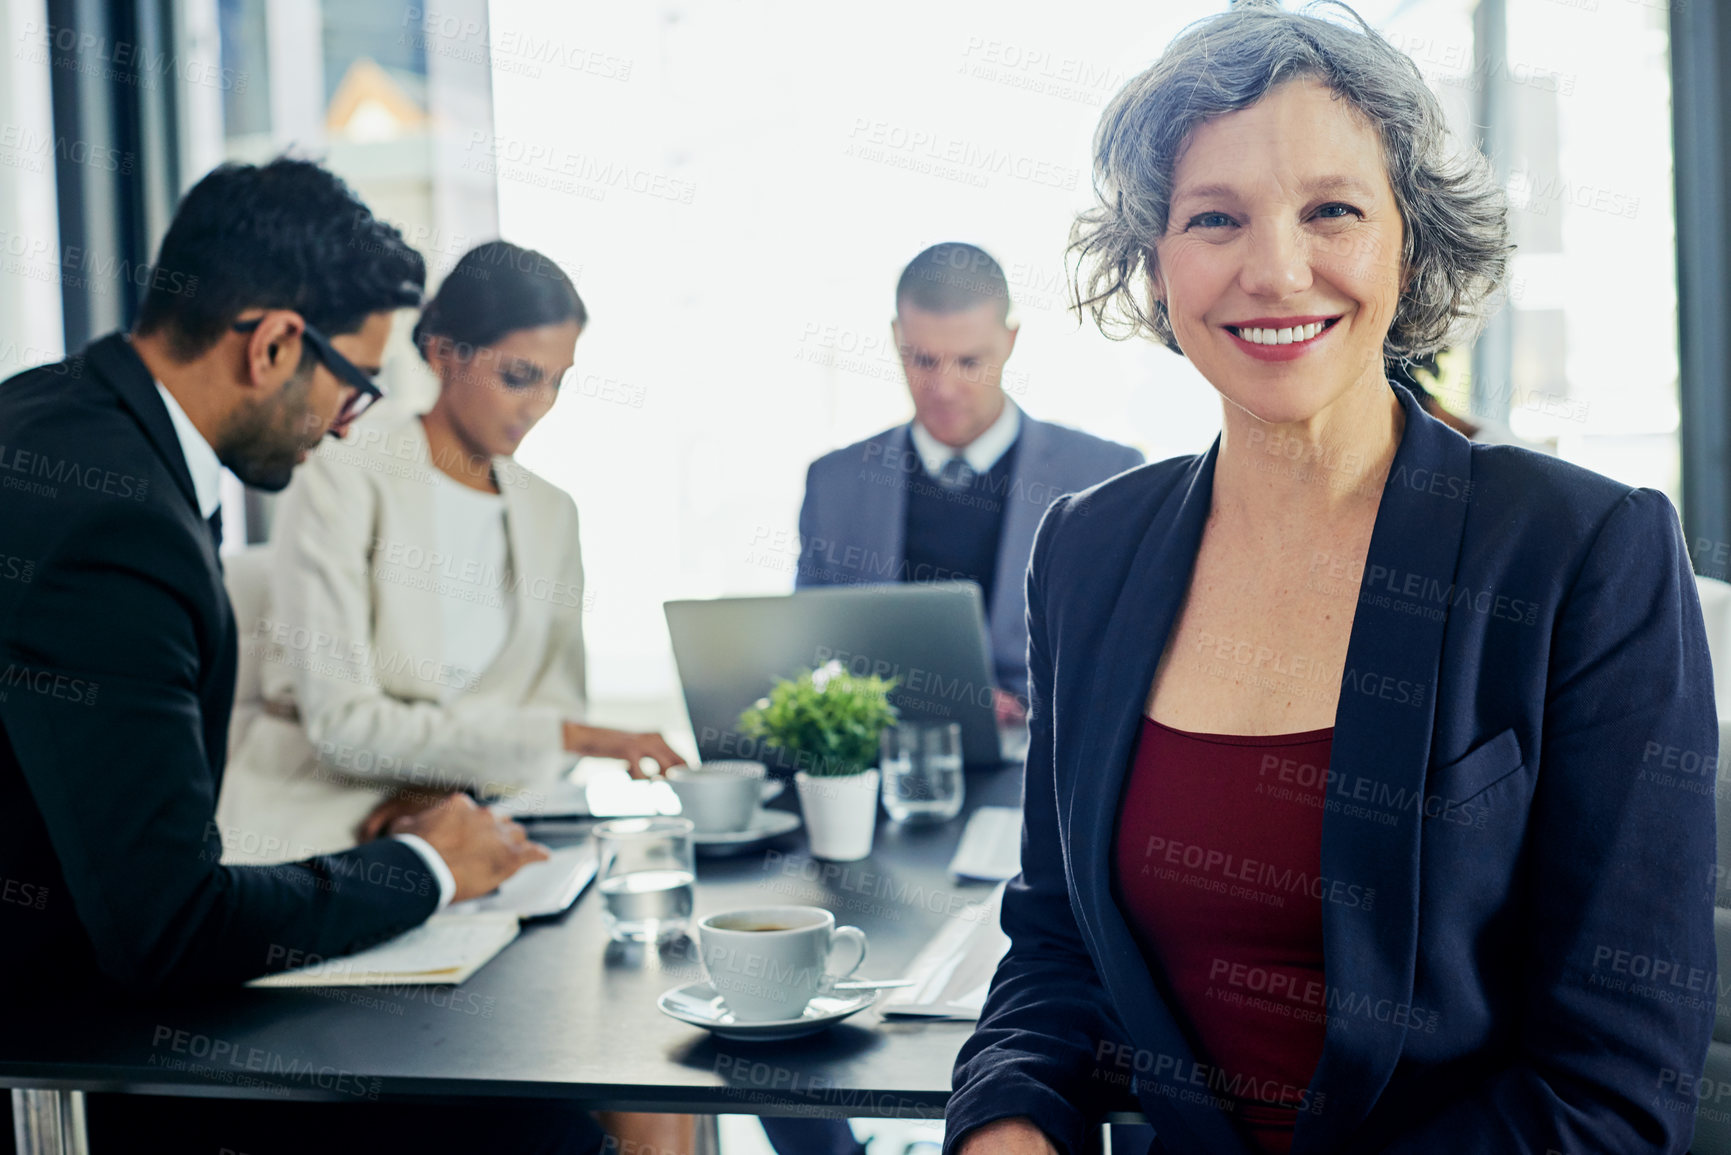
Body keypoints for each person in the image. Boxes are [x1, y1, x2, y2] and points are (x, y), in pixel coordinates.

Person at [945, 5, 1715, 1155]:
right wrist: (1007, 1121)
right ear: (1154, 266)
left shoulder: (1583, 553)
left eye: (1333, 210)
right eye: (1214, 217)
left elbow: (1612, 1084)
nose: (1276, 269)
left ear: (1412, 244)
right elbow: (1058, 940)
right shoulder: (1088, 551)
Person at [0, 158, 607, 1154]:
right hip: (64, 1038)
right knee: (543, 1129)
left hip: (82, 983)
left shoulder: (56, 415)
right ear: (278, 344)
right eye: (354, 385)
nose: (346, 426)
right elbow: (170, 927)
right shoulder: (118, 521)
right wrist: (427, 866)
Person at [216, 240, 686, 864]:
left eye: (556, 382)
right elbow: (343, 725)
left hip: (476, 826)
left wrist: (446, 787)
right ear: (444, 354)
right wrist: (568, 738)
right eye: (518, 377)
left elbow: (551, 714)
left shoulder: (551, 513)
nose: (537, 405)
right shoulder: (343, 469)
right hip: (313, 826)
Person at [796, 243, 1143, 720]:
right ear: (897, 337)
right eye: (921, 361)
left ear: (1010, 341)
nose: (943, 388)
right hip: (881, 765)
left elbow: (1135, 660)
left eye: (968, 362)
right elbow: (808, 659)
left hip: (1044, 765)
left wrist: (1029, 708)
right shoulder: (835, 483)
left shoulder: (1105, 476)